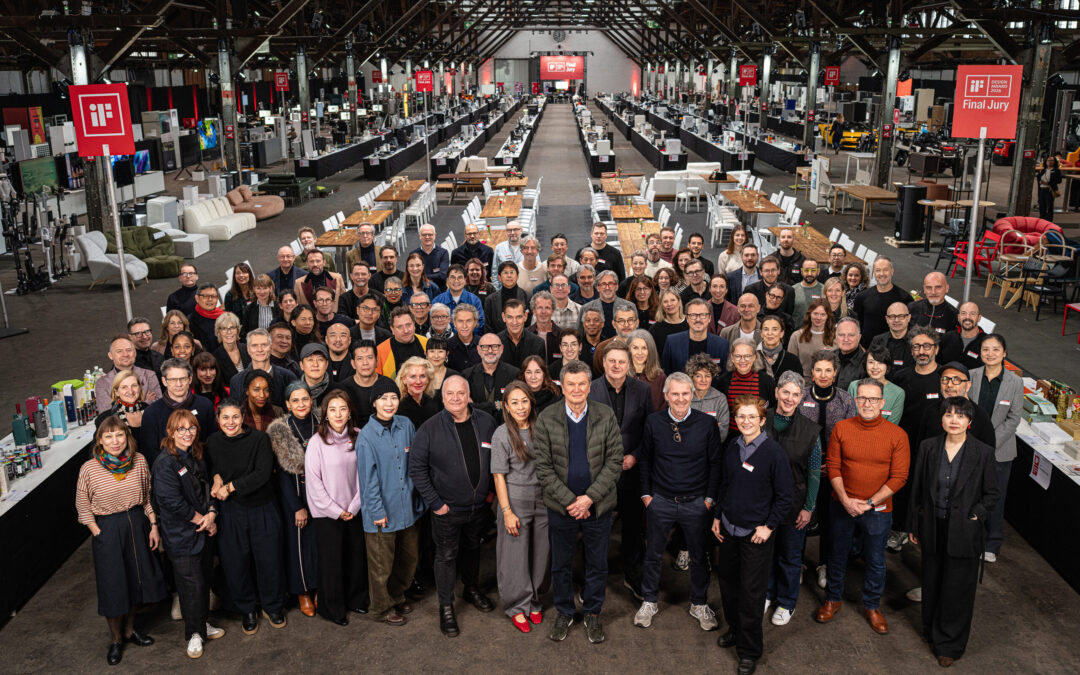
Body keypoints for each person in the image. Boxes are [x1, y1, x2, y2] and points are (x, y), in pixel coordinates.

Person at [533, 360, 624, 644]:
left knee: (597, 563)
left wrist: (589, 498)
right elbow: (543, 467)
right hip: (562, 506)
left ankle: (593, 613)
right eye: (570, 384)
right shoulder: (547, 417)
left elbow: (615, 461)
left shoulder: (605, 414)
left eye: (582, 384)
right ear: (562, 386)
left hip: (598, 505)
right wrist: (571, 501)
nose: (576, 389)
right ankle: (564, 611)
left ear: (589, 385)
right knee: (560, 564)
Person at [906, 397, 999, 667]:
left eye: (960, 416)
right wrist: (914, 523)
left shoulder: (982, 453)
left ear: (969, 422)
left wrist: (977, 514)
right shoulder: (928, 447)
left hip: (964, 529)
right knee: (933, 581)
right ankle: (932, 630)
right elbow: (918, 489)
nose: (954, 420)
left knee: (957, 588)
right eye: (948, 415)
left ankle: (950, 643)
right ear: (942, 419)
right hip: (933, 525)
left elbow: (992, 492)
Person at [815, 379, 909, 636]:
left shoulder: (897, 435)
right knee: (837, 553)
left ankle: (872, 605)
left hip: (877, 510)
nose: (867, 404)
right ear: (855, 401)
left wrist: (869, 503)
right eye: (863, 399)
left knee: (877, 559)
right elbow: (833, 466)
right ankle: (833, 599)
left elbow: (899, 476)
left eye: (873, 399)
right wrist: (845, 500)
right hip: (842, 505)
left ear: (882, 402)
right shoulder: (842, 428)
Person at [409, 376, 499, 637]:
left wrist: (491, 494)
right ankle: (446, 606)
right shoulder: (429, 428)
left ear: (469, 395)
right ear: (443, 397)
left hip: (479, 507)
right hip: (446, 510)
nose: (456, 398)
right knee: (446, 556)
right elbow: (417, 468)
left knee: (473, 549)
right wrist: (436, 503)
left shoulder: (486, 422)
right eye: (450, 394)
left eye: (461, 393)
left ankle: (471, 589)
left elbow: (496, 460)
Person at [634, 373, 722, 631]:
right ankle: (649, 600)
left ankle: (698, 603)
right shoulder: (653, 422)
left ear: (692, 394)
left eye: (685, 393)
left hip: (696, 503)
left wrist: (708, 499)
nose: (681, 398)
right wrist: (647, 496)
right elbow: (645, 460)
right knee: (652, 555)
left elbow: (716, 463)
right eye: (675, 394)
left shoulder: (706, 424)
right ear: (666, 396)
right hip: (660, 501)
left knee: (698, 556)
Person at [76, 416, 167, 665]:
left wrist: (154, 526)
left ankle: (129, 630)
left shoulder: (138, 461)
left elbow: (147, 497)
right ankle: (116, 639)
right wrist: (99, 533)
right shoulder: (89, 468)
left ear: (127, 437)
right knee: (113, 585)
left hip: (137, 523)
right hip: (108, 528)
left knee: (136, 581)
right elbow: (83, 508)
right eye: (108, 436)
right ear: (100, 441)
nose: (115, 441)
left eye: (119, 435)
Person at [712, 396, 793, 675]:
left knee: (751, 594)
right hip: (729, 529)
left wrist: (768, 526)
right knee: (728, 584)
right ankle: (735, 631)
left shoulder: (773, 453)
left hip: (755, 536)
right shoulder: (732, 447)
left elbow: (785, 497)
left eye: (751, 417)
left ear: (761, 421)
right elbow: (724, 485)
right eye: (741, 417)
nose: (745, 421)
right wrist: (716, 517)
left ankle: (749, 651)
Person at [207, 399, 287, 635]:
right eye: (225, 418)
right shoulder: (212, 442)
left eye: (235, 417)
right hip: (231, 512)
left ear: (242, 418)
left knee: (269, 560)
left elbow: (262, 474)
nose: (230, 422)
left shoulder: (259, 439)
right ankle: (247, 609)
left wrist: (229, 486)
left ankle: (272, 607)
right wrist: (216, 479)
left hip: (262, 508)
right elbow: (212, 469)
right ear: (218, 420)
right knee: (235, 562)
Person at [152, 409, 226, 659]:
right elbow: (172, 502)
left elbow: (207, 490)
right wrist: (203, 521)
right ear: (171, 433)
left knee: (203, 581)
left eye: (191, 428)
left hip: (203, 532)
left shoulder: (196, 455)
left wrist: (212, 514)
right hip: (182, 536)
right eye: (181, 429)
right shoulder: (164, 463)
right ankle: (193, 634)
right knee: (190, 586)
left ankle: (202, 625)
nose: (187, 433)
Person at [589, 340, 654, 599]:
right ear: (603, 363)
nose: (617, 366)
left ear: (630, 365)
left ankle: (632, 575)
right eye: (612, 361)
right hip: (599, 472)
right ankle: (594, 581)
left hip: (631, 470)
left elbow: (649, 430)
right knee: (597, 528)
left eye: (622, 362)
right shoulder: (590, 389)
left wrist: (636, 457)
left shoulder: (643, 390)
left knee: (632, 529)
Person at [357, 379, 424, 626]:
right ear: (374, 403)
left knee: (408, 559)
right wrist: (376, 510)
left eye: (393, 398)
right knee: (381, 567)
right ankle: (381, 608)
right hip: (382, 512)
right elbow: (368, 479)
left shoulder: (406, 425)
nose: (389, 403)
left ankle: (397, 596)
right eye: (383, 398)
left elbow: (416, 462)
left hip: (408, 507)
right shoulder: (366, 437)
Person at [491, 381, 551, 633]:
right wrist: (506, 512)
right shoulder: (502, 434)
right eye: (514, 402)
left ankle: (536, 601)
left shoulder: (543, 427)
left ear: (532, 402)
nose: (520, 407)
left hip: (544, 499)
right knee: (514, 557)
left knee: (542, 554)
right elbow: (498, 476)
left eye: (524, 401)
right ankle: (517, 606)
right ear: (505, 405)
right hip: (515, 498)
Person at [305, 390, 369, 626]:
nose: (338, 414)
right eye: (332, 409)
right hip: (328, 514)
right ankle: (333, 608)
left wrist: (354, 506)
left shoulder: (360, 436)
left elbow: (366, 475)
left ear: (350, 411)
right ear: (325, 414)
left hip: (355, 510)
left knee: (355, 558)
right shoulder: (316, 442)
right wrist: (336, 510)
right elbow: (313, 482)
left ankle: (356, 600)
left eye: (343, 408)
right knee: (332, 563)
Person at [764, 373, 821, 627]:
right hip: (762, 502)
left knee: (789, 555)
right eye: (785, 392)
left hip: (794, 504)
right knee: (765, 552)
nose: (789, 398)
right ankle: (767, 593)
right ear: (776, 392)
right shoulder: (760, 419)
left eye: (795, 394)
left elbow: (814, 472)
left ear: (801, 398)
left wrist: (808, 508)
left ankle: (787, 601)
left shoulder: (810, 430)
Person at [797, 349, 857, 588]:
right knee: (801, 518)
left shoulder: (845, 400)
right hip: (803, 469)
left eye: (828, 370)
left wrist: (833, 465)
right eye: (818, 370)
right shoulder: (800, 398)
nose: (823, 375)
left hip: (834, 470)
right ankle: (797, 563)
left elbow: (851, 437)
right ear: (812, 372)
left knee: (830, 520)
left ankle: (824, 564)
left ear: (835, 373)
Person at [267, 382, 320, 619]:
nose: (301, 404)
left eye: (305, 399)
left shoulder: (321, 423)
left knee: (320, 543)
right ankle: (303, 592)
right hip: (296, 493)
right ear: (287, 404)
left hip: (322, 490)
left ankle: (320, 586)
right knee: (299, 545)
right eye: (295, 400)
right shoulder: (280, 430)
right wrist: (297, 507)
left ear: (311, 400)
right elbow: (284, 477)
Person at [968, 335, 1023, 563]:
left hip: (1000, 452)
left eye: (995, 349)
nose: (990, 354)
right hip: (972, 446)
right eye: (986, 349)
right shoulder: (971, 377)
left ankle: (992, 543)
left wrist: (989, 442)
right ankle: (971, 539)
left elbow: (1013, 418)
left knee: (995, 498)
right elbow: (966, 411)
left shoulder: (1015, 382)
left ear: (1004, 352)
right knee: (972, 497)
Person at [140, 359, 216, 467]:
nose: (179, 384)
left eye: (183, 379)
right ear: (164, 381)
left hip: (203, 470)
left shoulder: (205, 405)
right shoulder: (151, 412)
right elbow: (150, 453)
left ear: (190, 379)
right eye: (173, 380)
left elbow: (212, 444)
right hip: (169, 475)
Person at [717, 339, 776, 433]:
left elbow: (773, 410)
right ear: (732, 357)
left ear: (754, 357)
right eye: (737, 356)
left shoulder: (767, 381)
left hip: (758, 436)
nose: (742, 360)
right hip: (731, 438)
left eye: (747, 356)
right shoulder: (723, 381)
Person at [230, 328, 297, 408]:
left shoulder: (288, 377)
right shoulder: (237, 380)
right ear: (248, 349)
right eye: (254, 345)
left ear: (271, 347)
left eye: (264, 345)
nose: (260, 349)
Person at [661, 298, 731, 375]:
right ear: (687, 318)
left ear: (709, 318)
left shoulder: (722, 345)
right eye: (693, 315)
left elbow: (724, 377)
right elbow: (665, 374)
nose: (698, 319)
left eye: (703, 315)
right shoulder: (672, 342)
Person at [96, 334, 163, 413]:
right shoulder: (102, 383)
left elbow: (159, 407)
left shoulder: (149, 375)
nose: (125, 354)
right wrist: (145, 403)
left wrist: (119, 409)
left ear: (134, 353)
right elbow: (107, 416)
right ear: (110, 356)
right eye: (119, 351)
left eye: (129, 350)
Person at [853, 257, 908, 347]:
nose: (882, 274)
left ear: (892, 271)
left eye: (885, 270)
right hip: (866, 351)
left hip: (893, 352)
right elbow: (856, 325)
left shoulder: (904, 298)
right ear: (873, 273)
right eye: (878, 270)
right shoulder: (862, 297)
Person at [463, 333, 519, 417]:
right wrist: (497, 405)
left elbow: (515, 404)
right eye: (485, 347)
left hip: (506, 425)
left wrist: (479, 406)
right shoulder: (466, 376)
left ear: (502, 349)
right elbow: (467, 407)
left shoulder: (514, 374)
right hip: (477, 425)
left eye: (495, 346)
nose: (490, 351)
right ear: (478, 350)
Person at [848, 345, 905, 424]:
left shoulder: (898, 393)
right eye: (871, 362)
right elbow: (850, 418)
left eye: (880, 362)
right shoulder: (854, 386)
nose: (875, 367)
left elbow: (892, 425)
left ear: (887, 366)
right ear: (865, 364)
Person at [431, 264, 486, 334]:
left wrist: (463, 336)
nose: (456, 281)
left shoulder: (475, 301)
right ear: (447, 280)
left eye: (460, 277)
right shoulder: (437, 301)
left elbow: (480, 324)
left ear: (465, 280)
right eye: (453, 277)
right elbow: (434, 324)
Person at [376, 307, 429, 379]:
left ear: (414, 325)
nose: (406, 331)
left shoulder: (426, 343)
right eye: (400, 327)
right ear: (392, 329)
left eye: (408, 325)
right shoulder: (381, 351)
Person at [787, 301, 836, 378]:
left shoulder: (835, 337)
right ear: (809, 314)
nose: (818, 318)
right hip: (802, 383)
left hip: (827, 382)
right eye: (815, 313)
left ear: (828, 316)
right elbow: (790, 365)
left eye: (823, 314)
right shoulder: (796, 336)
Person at [686, 354, 731, 433]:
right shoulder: (684, 397)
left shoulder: (720, 399)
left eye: (707, 376)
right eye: (698, 376)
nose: (703, 380)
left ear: (712, 377)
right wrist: (712, 427)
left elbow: (723, 431)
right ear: (692, 377)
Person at [939, 301, 987, 369]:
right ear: (958, 317)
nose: (967, 317)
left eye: (972, 314)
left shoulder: (988, 343)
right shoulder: (947, 338)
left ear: (979, 318)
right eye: (963, 313)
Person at [500, 299, 546, 369]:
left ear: (525, 316)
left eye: (519, 317)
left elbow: (541, 373)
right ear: (503, 317)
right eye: (510, 317)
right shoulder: (496, 343)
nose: (514, 322)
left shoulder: (538, 343)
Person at [485, 262, 529, 333]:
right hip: (497, 340)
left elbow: (528, 323)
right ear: (499, 277)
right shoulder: (490, 300)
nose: (509, 276)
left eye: (512, 272)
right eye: (505, 272)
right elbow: (488, 326)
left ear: (517, 276)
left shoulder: (526, 296)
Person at [628, 330, 667, 410]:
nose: (640, 353)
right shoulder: (621, 375)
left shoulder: (660, 378)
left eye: (644, 348)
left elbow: (663, 409)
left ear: (650, 350)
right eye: (635, 348)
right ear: (629, 350)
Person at [869, 302, 914, 371]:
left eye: (901, 316)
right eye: (892, 316)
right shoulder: (877, 341)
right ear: (887, 319)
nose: (896, 320)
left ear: (908, 318)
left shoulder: (917, 342)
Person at [757, 315, 802, 381]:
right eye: (766, 329)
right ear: (761, 333)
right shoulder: (753, 357)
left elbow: (799, 385)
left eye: (774, 329)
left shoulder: (793, 360)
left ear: (781, 333)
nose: (770, 333)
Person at [649, 289, 688, 360]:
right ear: (661, 305)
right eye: (665, 302)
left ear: (679, 302)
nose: (669, 304)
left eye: (673, 300)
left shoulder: (690, 324)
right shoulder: (655, 329)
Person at [212, 312, 249, 385]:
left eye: (232, 328)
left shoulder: (248, 349)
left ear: (237, 330)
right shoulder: (215, 357)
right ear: (219, 332)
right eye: (224, 328)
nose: (229, 332)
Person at [527, 291, 563, 363]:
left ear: (552, 311)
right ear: (534, 311)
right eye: (540, 307)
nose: (543, 312)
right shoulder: (526, 334)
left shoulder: (562, 335)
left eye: (547, 308)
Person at [411, 224, 449, 290]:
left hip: (440, 290)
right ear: (420, 236)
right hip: (420, 290)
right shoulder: (413, 254)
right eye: (424, 235)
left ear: (435, 236)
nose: (427, 237)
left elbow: (443, 275)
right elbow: (412, 276)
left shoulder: (443, 253)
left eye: (430, 234)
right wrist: (434, 277)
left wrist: (422, 277)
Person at [188, 285, 224, 354]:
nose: (210, 299)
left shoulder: (225, 317)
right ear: (197, 298)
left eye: (213, 296)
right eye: (205, 296)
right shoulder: (190, 321)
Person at [834, 317, 868, 391]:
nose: (846, 339)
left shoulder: (867, 363)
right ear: (836, 337)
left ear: (859, 337)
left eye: (851, 335)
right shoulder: (829, 358)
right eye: (841, 335)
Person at [446, 304, 481, 372]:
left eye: (468, 321)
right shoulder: (446, 346)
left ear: (475, 322)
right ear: (454, 323)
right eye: (460, 321)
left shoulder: (484, 345)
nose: (464, 326)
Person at [1037, 154, 1061, 221]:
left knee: (1049, 206)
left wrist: (1048, 183)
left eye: (1052, 160)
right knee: (1042, 205)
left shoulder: (1056, 171)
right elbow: (1039, 177)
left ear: (1054, 162)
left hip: (1050, 190)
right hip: (1042, 189)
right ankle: (1042, 219)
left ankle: (1049, 220)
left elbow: (1059, 180)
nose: (1050, 162)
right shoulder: (1043, 170)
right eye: (1048, 160)